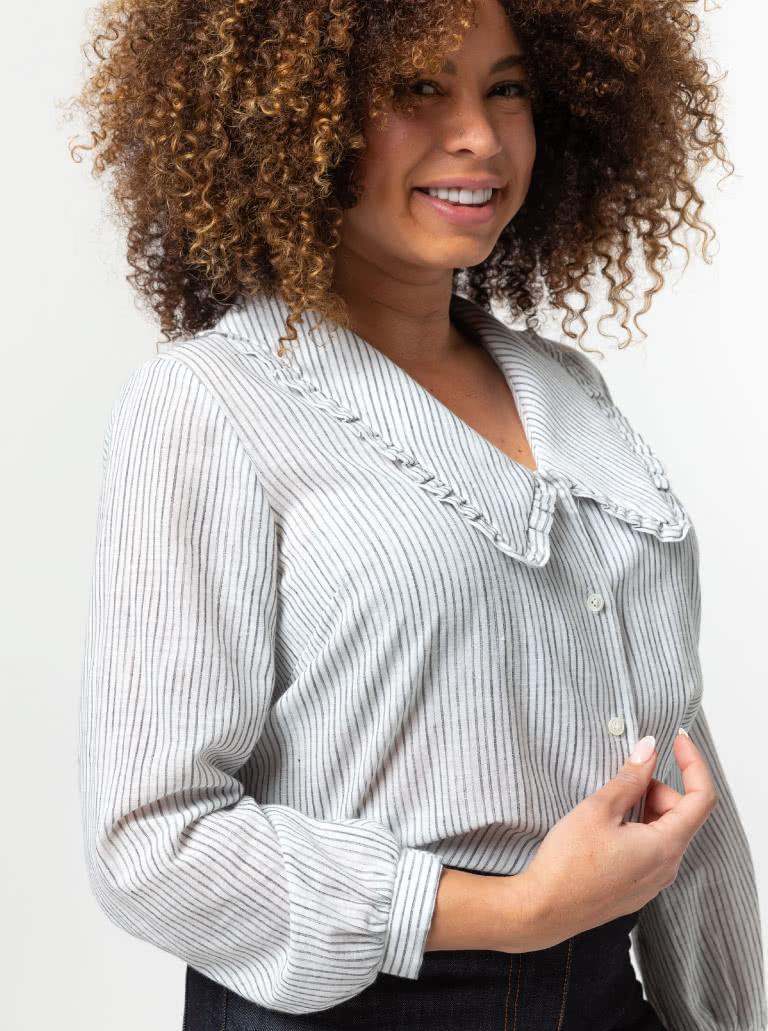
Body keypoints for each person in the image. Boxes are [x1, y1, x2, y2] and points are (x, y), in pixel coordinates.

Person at [72, 0, 766, 1028]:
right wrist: (516, 909)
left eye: (507, 87)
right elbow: (149, 841)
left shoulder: (570, 394)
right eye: (417, 87)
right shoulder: (211, 403)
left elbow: (674, 765)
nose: (480, 135)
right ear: (292, 114)